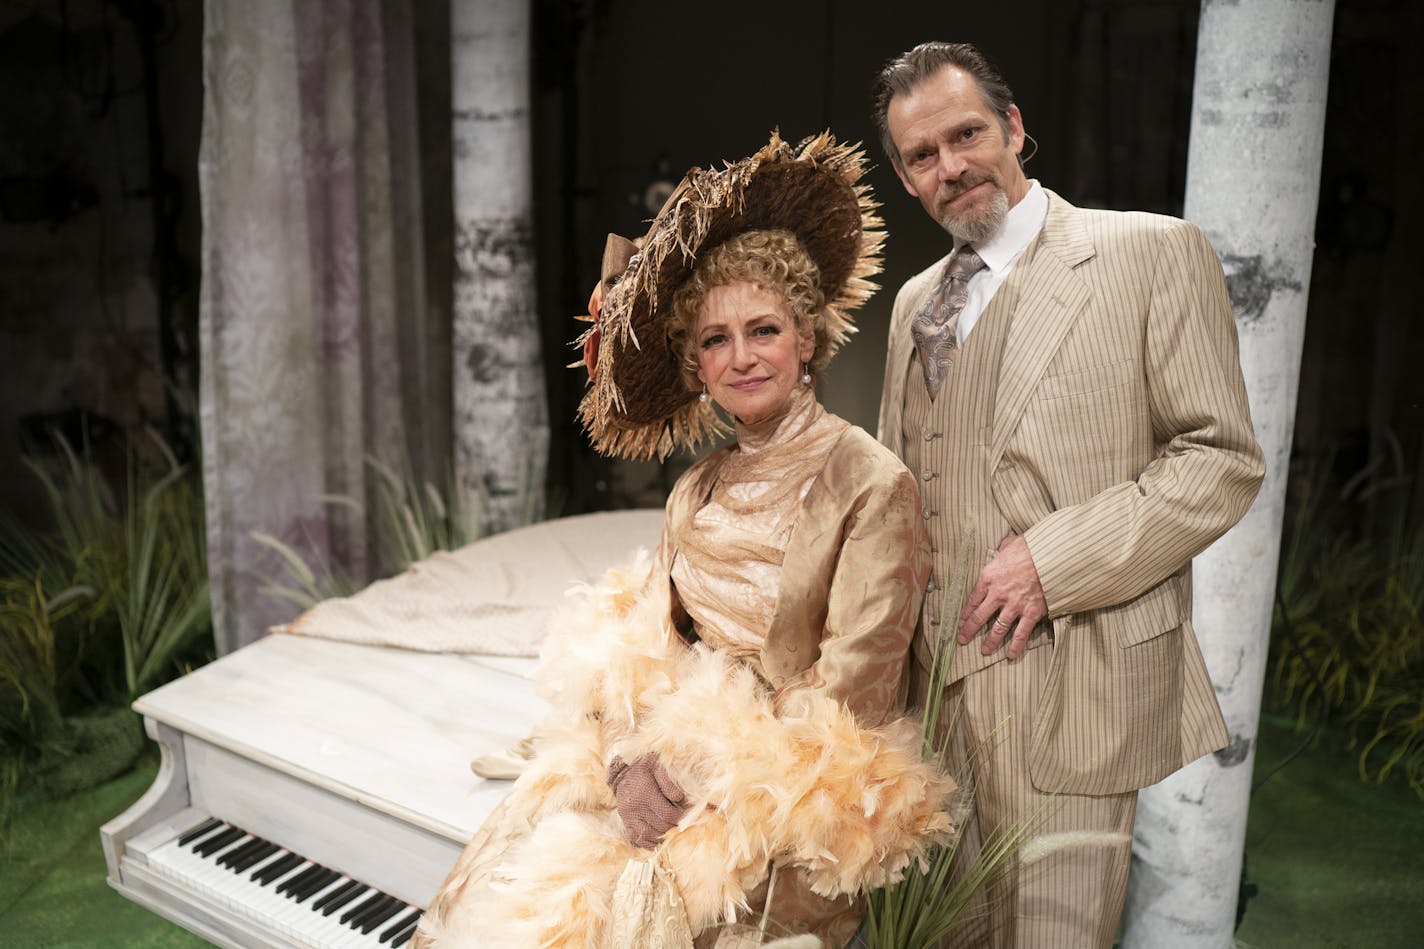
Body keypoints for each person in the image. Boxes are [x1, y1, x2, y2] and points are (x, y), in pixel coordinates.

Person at [413, 132, 949, 949]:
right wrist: (630, 758)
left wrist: (690, 768)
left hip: (781, 793)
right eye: (714, 340)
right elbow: (648, 643)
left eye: (763, 329)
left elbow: (850, 696)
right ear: (696, 364)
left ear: (807, 337)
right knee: (497, 883)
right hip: (658, 761)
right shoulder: (698, 486)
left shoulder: (872, 483)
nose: (741, 358)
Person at [868, 42, 1266, 948]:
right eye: (923, 156)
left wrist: (1054, 559)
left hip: (1072, 680)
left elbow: (1221, 458)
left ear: (1013, 129)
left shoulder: (1148, 252)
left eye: (967, 134)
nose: (952, 166)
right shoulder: (914, 303)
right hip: (932, 702)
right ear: (904, 177)